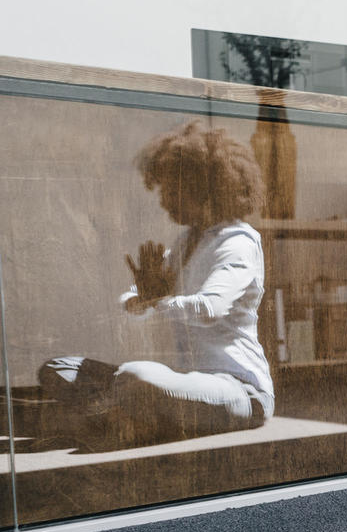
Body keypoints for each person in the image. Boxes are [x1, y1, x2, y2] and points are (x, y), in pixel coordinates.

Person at [37, 119, 274, 450]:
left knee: (136, 377)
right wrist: (142, 298)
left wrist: (155, 301)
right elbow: (141, 302)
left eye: (171, 190)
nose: (164, 201)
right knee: (59, 369)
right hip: (184, 382)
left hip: (239, 391)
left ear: (203, 187)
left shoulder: (237, 242)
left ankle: (127, 417)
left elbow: (209, 308)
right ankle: (133, 417)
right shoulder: (187, 241)